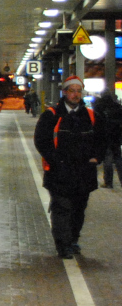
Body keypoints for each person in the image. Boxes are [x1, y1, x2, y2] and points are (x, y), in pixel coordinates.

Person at [34, 75, 104, 258]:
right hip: (60, 172)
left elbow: (102, 140)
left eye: (79, 91)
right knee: (62, 208)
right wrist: (57, 162)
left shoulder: (91, 116)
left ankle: (73, 239)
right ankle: (63, 245)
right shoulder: (51, 115)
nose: (76, 94)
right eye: (72, 91)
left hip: (84, 173)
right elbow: (42, 141)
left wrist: (97, 157)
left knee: (79, 208)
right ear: (64, 92)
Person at [94, 90, 122, 188]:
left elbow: (96, 124)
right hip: (116, 137)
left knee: (108, 160)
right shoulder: (117, 107)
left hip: (105, 138)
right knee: (118, 159)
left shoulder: (99, 107)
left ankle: (108, 182)